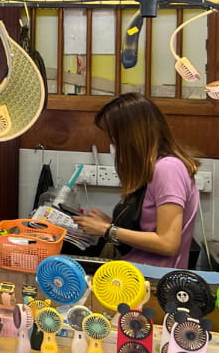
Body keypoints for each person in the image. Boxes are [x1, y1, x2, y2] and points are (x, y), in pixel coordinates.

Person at [76, 93, 200, 268]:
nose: (113, 145)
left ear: (130, 136)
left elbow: (168, 243)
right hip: (133, 274)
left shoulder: (169, 169)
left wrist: (107, 230)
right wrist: (109, 222)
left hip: (152, 281)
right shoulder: (152, 170)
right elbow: (147, 231)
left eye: (114, 138)